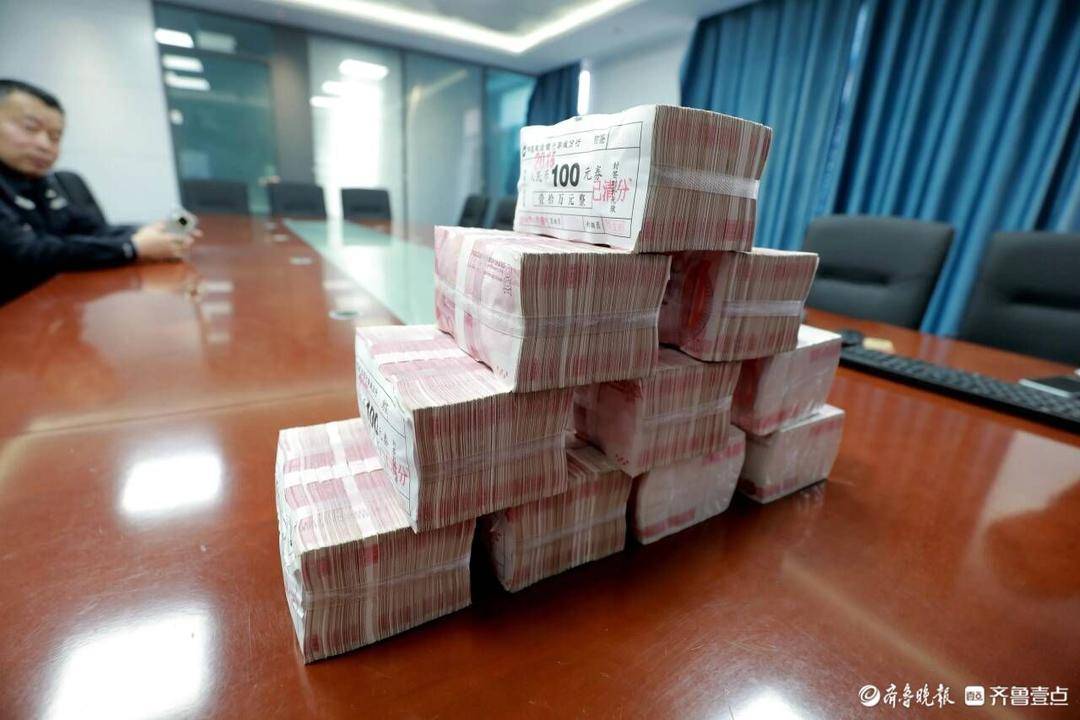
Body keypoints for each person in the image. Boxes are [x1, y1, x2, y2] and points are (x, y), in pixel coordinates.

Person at [0, 79, 196, 304]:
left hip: (56, 302)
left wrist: (146, 232)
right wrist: (132, 247)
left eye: (55, 137)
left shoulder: (45, 183)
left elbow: (91, 230)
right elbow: (27, 253)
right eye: (30, 128)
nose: (45, 145)